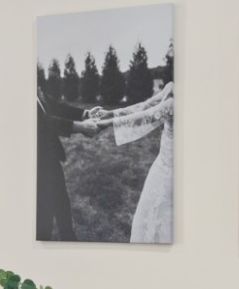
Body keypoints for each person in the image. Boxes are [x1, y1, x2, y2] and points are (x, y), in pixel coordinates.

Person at [93, 71, 175, 244]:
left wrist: (107, 123)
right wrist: (112, 113)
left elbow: (147, 117)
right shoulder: (172, 87)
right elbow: (146, 106)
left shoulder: (175, 103)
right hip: (162, 166)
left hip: (172, 174)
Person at [35, 85, 99, 240]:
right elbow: (42, 122)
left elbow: (55, 107)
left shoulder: (33, 87)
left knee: (61, 201)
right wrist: (80, 126)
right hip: (36, 163)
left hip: (50, 157)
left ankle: (68, 238)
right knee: (44, 213)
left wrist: (85, 114)